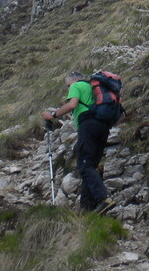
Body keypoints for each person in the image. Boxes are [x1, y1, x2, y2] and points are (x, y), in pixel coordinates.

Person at [41, 70, 111, 212]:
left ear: (73, 79)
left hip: (88, 125)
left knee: (84, 165)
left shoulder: (76, 86)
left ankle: (104, 199)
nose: (68, 89)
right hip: (103, 127)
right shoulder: (92, 88)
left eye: (68, 85)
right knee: (90, 166)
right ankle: (87, 208)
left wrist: (53, 115)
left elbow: (72, 105)